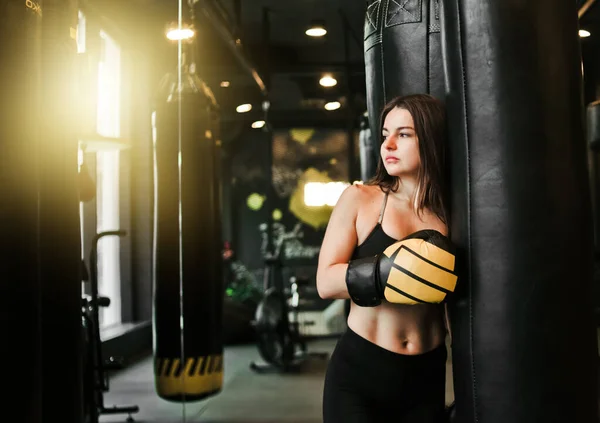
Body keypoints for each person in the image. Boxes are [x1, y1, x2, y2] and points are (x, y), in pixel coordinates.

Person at [317, 93, 454, 423]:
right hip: (361, 374)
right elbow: (325, 282)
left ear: (431, 139)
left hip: (427, 375)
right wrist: (387, 272)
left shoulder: (452, 214)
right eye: (384, 134)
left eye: (403, 134)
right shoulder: (360, 199)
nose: (389, 144)